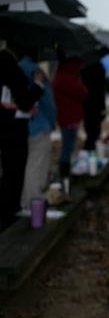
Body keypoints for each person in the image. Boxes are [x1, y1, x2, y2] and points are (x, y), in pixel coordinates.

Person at [0, 43, 44, 231]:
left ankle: (7, 212)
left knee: (7, 171)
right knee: (14, 172)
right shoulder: (11, 67)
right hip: (14, 130)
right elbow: (25, 102)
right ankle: (9, 213)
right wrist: (37, 84)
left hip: (4, 128)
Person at [19, 51, 57, 209]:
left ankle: (23, 202)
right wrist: (52, 121)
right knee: (35, 167)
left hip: (18, 127)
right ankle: (32, 205)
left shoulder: (14, 68)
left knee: (23, 166)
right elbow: (47, 101)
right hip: (38, 125)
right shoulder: (35, 71)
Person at [52, 56, 88, 178]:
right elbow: (83, 93)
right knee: (68, 146)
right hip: (69, 118)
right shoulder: (68, 79)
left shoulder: (59, 77)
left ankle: (65, 171)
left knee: (68, 144)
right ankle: (65, 173)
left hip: (65, 117)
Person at [80, 60, 107, 151]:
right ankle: (92, 146)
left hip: (87, 103)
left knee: (90, 128)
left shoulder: (83, 70)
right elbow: (102, 91)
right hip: (96, 104)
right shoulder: (100, 70)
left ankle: (90, 146)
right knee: (95, 128)